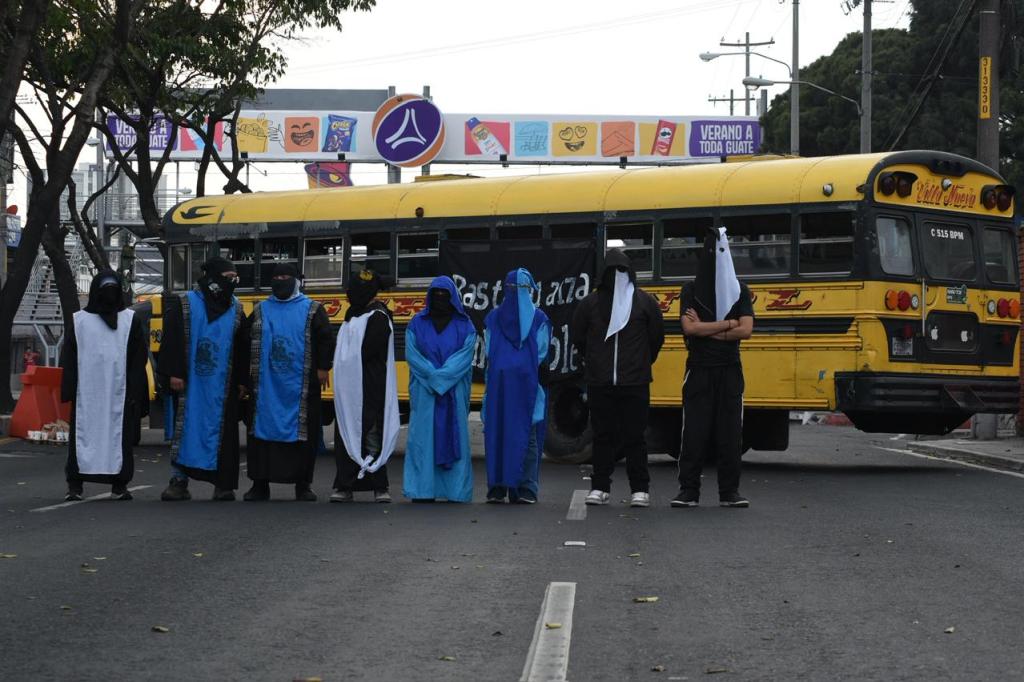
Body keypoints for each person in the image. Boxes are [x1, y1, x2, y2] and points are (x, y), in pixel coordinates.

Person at [571, 249, 664, 508]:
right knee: (602, 436)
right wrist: (595, 362)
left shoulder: (644, 302)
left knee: (635, 437)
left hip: (635, 382)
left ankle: (640, 489)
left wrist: (640, 363)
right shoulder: (590, 304)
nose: (617, 277)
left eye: (622, 271)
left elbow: (656, 337)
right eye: (612, 272)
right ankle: (600, 487)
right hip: (600, 382)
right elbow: (579, 337)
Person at [672, 227, 754, 509]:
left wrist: (706, 329)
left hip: (729, 371)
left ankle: (729, 492)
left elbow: (746, 330)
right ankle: (688, 491)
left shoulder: (739, 290)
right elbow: (689, 328)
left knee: (730, 434)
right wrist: (728, 324)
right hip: (699, 369)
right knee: (693, 433)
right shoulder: (691, 290)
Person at [158, 256, 250, 502]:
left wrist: (243, 380)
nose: (233, 282)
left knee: (224, 436)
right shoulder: (186, 303)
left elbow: (243, 347)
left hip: (223, 386)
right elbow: (172, 338)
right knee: (185, 429)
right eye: (228, 278)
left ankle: (223, 485)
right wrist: (175, 372)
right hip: (190, 385)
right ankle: (179, 482)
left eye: (235, 278)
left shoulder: (236, 308)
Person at [244, 264, 333, 502]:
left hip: (301, 387)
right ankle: (259, 485)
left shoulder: (312, 309)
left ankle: (303, 486)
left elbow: (325, 338)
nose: (280, 280)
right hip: (266, 388)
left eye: (285, 276)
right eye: (276, 277)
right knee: (260, 435)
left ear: (295, 280)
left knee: (303, 435)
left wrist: (323, 367)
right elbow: (244, 341)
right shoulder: (261, 309)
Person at [60, 271, 148, 501]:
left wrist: (135, 390)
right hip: (86, 393)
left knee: (119, 438)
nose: (109, 294)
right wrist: (68, 389)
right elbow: (69, 357)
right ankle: (75, 485)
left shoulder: (130, 320)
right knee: (82, 437)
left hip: (119, 391)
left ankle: (119, 484)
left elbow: (138, 358)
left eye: (113, 288)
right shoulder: (79, 321)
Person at [403, 276, 477, 503]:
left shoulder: (465, 325)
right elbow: (412, 355)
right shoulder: (417, 323)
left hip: (453, 392)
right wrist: (436, 379)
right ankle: (421, 490)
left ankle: (455, 491)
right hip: (425, 393)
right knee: (422, 440)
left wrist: (438, 379)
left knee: (456, 437)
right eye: (435, 295)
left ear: (452, 297)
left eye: (445, 295)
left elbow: (464, 357)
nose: (440, 299)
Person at [482, 268, 551, 504]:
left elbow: (490, 350)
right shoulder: (538, 319)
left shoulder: (495, 318)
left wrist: (508, 366)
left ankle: (505, 487)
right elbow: (540, 352)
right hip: (519, 385)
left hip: (505, 386)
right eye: (515, 289)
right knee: (520, 435)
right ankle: (519, 488)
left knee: (509, 434)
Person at [331, 269, 399, 503]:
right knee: (346, 434)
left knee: (371, 434)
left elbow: (365, 352)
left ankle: (380, 485)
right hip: (349, 388)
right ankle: (345, 484)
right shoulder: (351, 315)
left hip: (370, 387)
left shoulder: (378, 316)